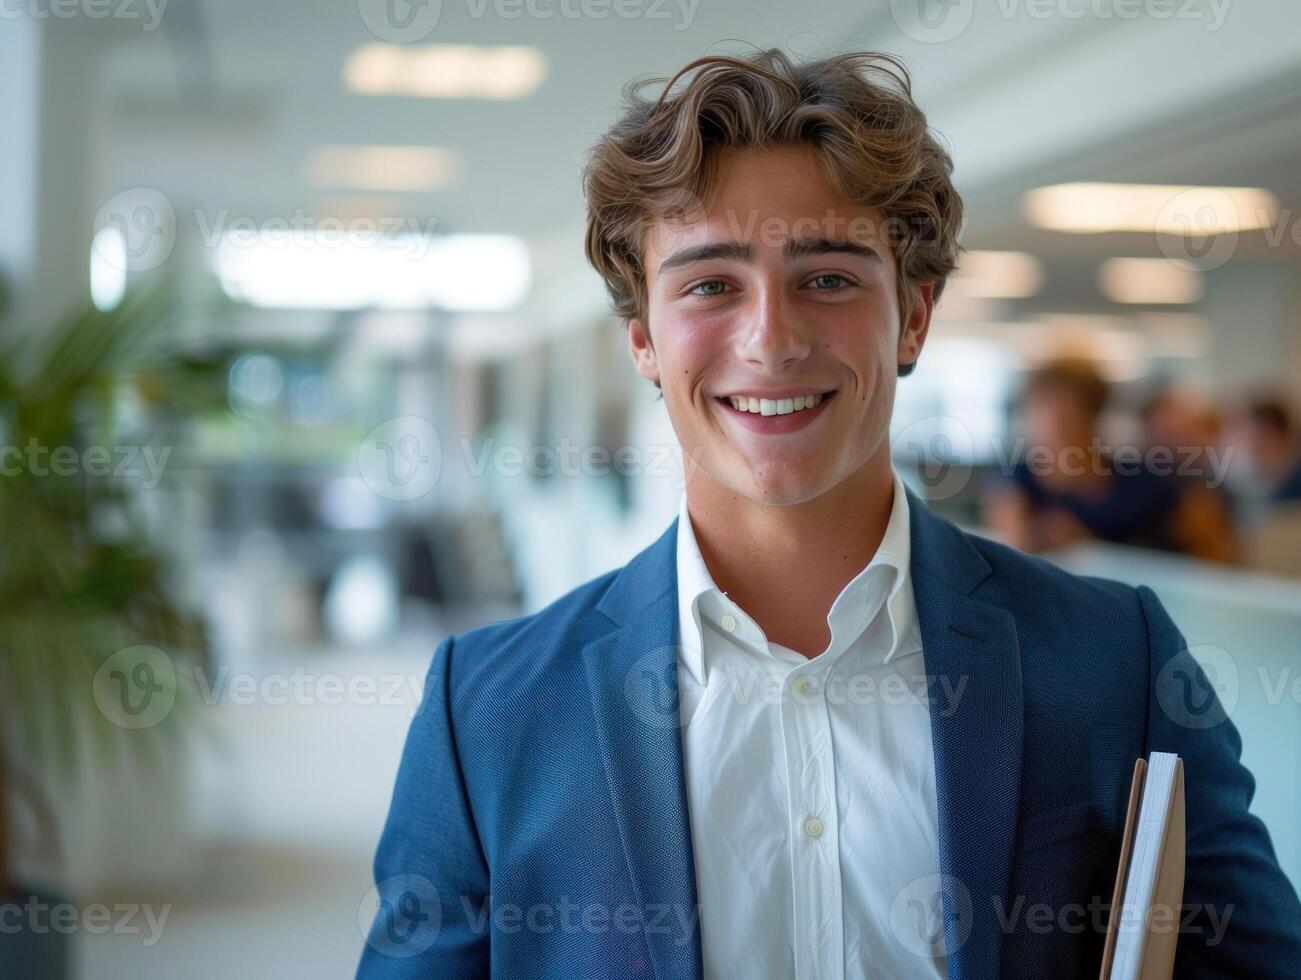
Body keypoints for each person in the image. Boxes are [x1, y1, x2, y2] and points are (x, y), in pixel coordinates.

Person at [358, 49, 1301, 979]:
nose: (771, 339)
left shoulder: (1111, 658)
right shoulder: (486, 708)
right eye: (710, 284)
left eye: (829, 278)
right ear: (643, 338)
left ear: (915, 317)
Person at [984, 358, 1237, 563]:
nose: (1052, 424)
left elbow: (1205, 553)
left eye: (1066, 411)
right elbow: (1012, 551)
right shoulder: (1015, 482)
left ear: (1092, 414)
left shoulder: (1144, 482)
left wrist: (1090, 548)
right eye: (1041, 409)